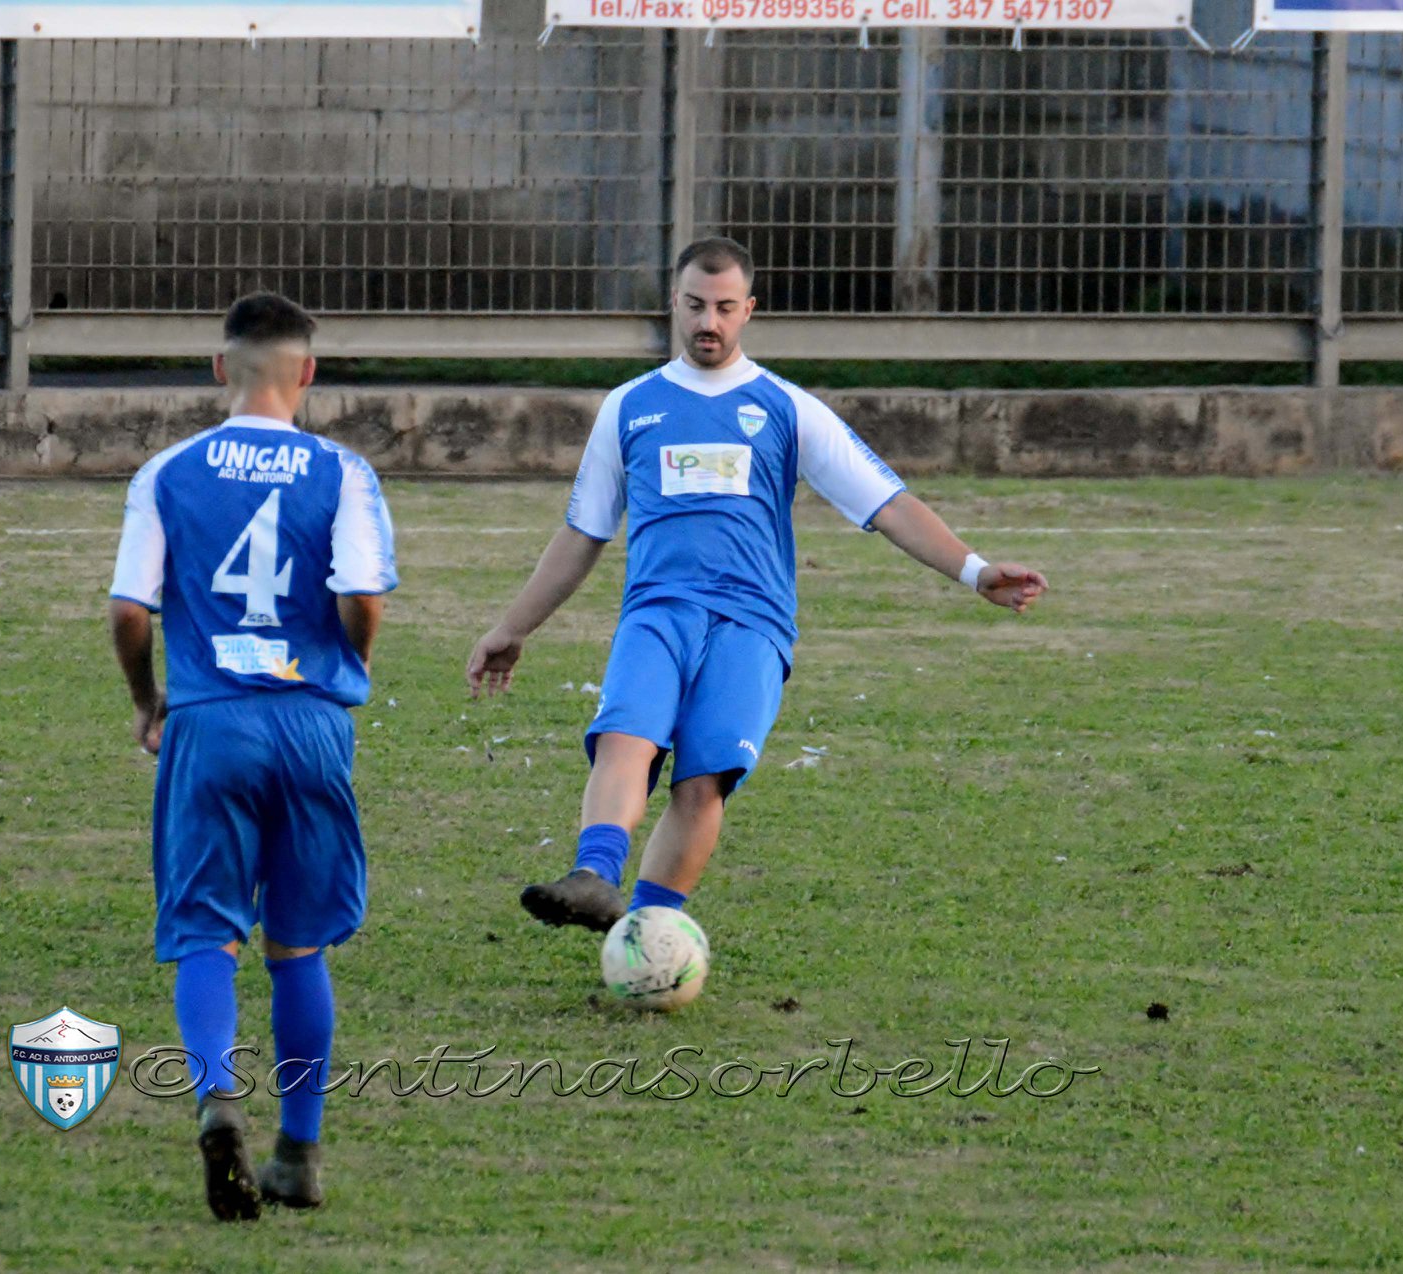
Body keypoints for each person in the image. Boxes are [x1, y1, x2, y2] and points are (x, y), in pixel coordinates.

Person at [466, 237, 1047, 939]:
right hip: (657, 613)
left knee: (702, 780)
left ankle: (650, 933)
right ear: (673, 304)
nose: (707, 322)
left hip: (752, 627)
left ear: (749, 310)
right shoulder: (629, 407)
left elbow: (888, 504)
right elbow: (582, 533)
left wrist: (974, 570)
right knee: (625, 736)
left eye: (724, 307)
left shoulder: (787, 408)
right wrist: (513, 627)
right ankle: (593, 875)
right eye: (694, 306)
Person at [108, 293, 396, 1220]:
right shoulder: (344, 472)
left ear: (218, 367)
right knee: (298, 944)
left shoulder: (166, 472)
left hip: (211, 720)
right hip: (309, 720)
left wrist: (148, 700)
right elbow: (362, 593)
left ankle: (218, 1100)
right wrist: (348, 663)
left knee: (206, 932)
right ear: (307, 372)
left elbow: (128, 611)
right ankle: (298, 1156)